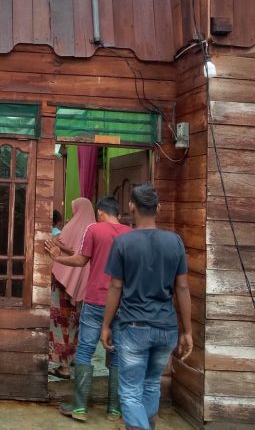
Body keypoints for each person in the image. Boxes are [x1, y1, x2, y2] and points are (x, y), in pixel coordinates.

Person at [100, 183, 192, 430]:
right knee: (151, 384)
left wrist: (106, 325)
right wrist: (187, 331)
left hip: (134, 327)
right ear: (158, 208)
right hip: (166, 328)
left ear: (131, 206)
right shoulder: (175, 242)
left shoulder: (123, 243)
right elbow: (182, 288)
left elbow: (115, 287)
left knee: (130, 392)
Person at [46, 196, 131, 422]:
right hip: (122, 303)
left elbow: (80, 261)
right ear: (117, 213)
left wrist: (57, 257)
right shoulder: (129, 233)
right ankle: (114, 410)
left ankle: (80, 408)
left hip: (95, 300)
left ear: (101, 213)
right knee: (116, 352)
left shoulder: (94, 229)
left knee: (85, 350)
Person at [46, 201, 95, 379]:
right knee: (75, 324)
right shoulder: (93, 230)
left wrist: (59, 250)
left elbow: (55, 246)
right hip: (82, 287)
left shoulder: (70, 228)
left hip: (62, 285)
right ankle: (71, 358)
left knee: (61, 324)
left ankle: (63, 367)